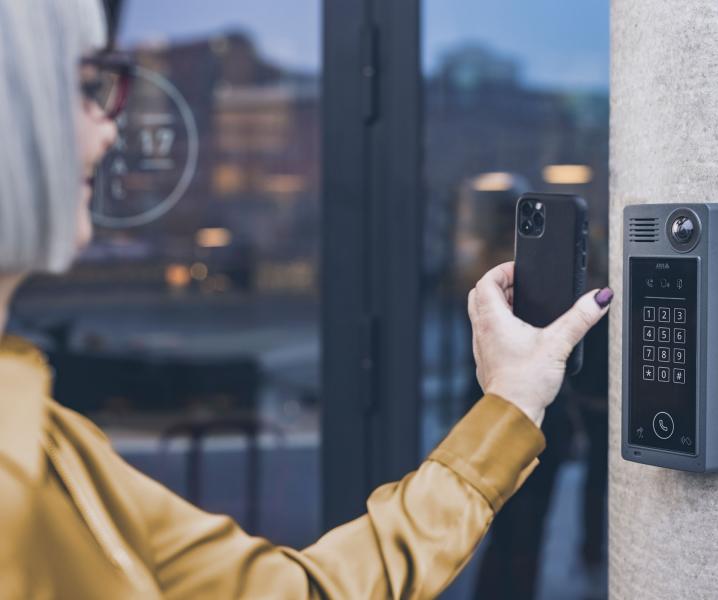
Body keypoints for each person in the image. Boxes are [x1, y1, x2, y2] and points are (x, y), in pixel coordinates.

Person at [0, 1, 613, 598]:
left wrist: (508, 404)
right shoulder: (22, 465)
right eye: (85, 88)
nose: (108, 126)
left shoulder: (46, 439)